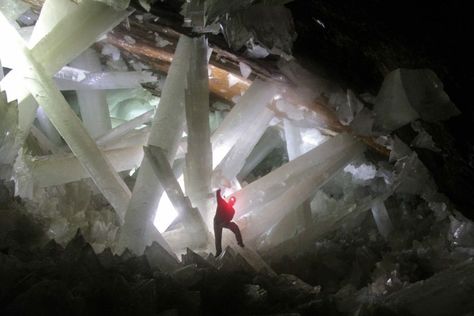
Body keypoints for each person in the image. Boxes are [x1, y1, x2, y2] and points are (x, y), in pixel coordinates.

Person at [214, 188, 244, 257]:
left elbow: (229, 219)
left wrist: (225, 223)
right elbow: (218, 196)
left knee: (234, 226)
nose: (232, 202)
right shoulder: (222, 203)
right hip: (217, 222)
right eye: (231, 200)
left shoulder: (232, 211)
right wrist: (218, 190)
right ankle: (218, 252)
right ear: (229, 201)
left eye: (233, 201)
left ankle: (240, 242)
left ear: (233, 203)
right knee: (218, 237)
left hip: (223, 222)